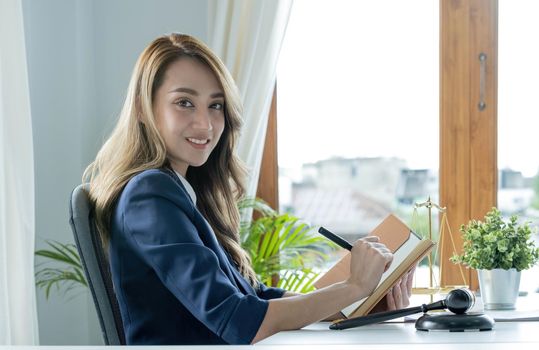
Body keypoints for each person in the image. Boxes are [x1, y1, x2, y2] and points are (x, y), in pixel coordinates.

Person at [84, 33, 414, 345]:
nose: (205, 124)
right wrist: (354, 286)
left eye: (215, 106)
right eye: (184, 103)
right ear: (143, 109)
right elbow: (240, 320)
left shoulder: (180, 190)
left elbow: (254, 297)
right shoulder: (150, 195)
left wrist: (357, 303)